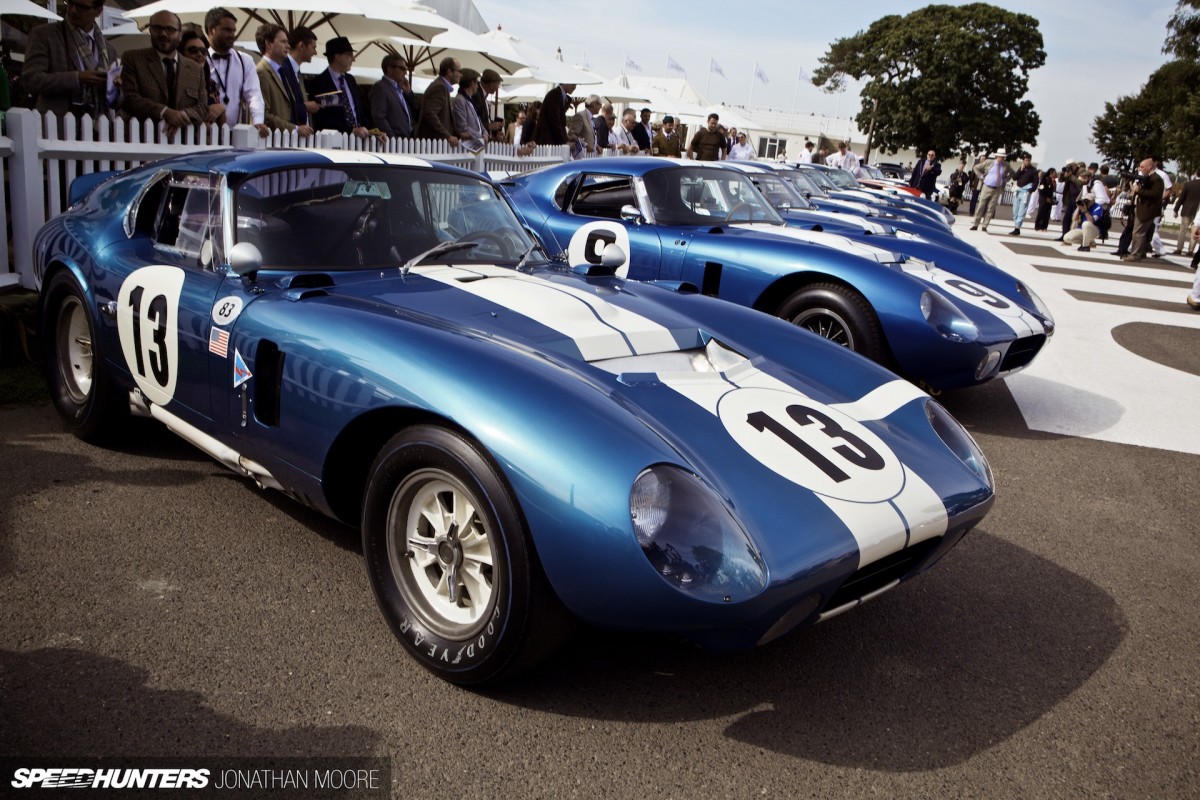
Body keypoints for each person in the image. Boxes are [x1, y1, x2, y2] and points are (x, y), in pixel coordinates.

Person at [21, 0, 118, 126]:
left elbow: (117, 101)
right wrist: (77, 78)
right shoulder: (44, 34)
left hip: (98, 128)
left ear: (98, 11)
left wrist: (114, 87)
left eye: (82, 7)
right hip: (56, 127)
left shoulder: (108, 49)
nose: (73, 10)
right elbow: (30, 80)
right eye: (71, 4)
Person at [120, 11, 207, 137]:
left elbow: (203, 107)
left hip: (183, 143)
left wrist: (181, 116)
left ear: (180, 35)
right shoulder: (133, 59)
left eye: (169, 29)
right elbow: (130, 99)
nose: (163, 33)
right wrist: (165, 112)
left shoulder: (195, 69)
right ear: (150, 30)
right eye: (157, 28)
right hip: (142, 140)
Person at [204, 8, 267, 137]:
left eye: (233, 30)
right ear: (211, 30)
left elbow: (254, 94)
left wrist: (258, 121)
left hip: (233, 134)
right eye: (227, 30)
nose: (232, 35)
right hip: (201, 131)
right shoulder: (200, 58)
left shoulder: (245, 61)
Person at [310, 36, 374, 140]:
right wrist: (350, 130)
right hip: (333, 141)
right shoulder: (319, 82)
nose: (353, 59)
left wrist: (375, 131)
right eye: (349, 55)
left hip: (358, 140)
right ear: (338, 57)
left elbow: (359, 112)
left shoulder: (350, 80)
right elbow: (322, 118)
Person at [255, 23, 311, 135]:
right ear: (268, 44)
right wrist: (294, 128)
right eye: (283, 42)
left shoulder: (281, 71)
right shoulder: (261, 72)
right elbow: (263, 114)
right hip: (273, 142)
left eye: (287, 42)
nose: (288, 46)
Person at [1124, 157, 1166, 262]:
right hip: (1144, 208)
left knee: (1138, 233)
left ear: (1149, 166)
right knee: (1140, 232)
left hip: (1147, 210)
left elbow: (1155, 194)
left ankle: (1135, 254)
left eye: (1142, 167)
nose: (1140, 169)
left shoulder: (1156, 179)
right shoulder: (1150, 178)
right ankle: (1140, 252)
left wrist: (1138, 190)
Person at [180, 28, 224, 125]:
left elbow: (220, 125)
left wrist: (222, 108)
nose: (199, 54)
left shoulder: (211, 84)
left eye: (203, 51)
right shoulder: (174, 80)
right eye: (193, 50)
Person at [415, 57, 460, 145]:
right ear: (449, 72)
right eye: (459, 71)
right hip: (431, 142)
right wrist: (447, 135)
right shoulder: (440, 87)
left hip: (435, 142)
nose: (461, 75)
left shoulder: (441, 86)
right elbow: (430, 114)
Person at [368, 53, 413, 137]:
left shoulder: (399, 88)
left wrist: (408, 93)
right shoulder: (380, 87)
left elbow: (408, 113)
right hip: (392, 141)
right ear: (390, 69)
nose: (406, 72)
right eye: (402, 69)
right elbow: (379, 117)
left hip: (405, 140)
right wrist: (392, 138)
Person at [970, 149, 1014, 232]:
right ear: (997, 156)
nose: (1002, 158)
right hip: (987, 187)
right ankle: (975, 224)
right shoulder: (989, 162)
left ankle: (985, 225)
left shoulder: (1006, 165)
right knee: (981, 206)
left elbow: (1012, 172)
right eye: (1001, 157)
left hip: (997, 189)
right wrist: (981, 176)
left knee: (991, 208)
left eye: (1004, 157)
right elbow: (976, 167)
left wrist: (1006, 179)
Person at [451, 68, 487, 151]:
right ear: (472, 83)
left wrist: (485, 133)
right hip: (465, 147)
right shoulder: (460, 100)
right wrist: (480, 136)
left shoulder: (470, 100)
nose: (478, 86)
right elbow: (463, 127)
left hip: (475, 146)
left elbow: (479, 122)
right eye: (477, 83)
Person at [1007, 153, 1038, 235]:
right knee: (1015, 210)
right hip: (1018, 190)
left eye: (1028, 160)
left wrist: (1030, 191)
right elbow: (1014, 177)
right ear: (1023, 161)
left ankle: (1018, 228)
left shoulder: (1034, 170)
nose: (1027, 162)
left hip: (1026, 192)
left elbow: (1036, 182)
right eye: (1025, 160)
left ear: (1030, 160)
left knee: (1022, 210)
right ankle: (1015, 225)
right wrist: (1021, 170)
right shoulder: (1021, 168)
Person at [1173, 171, 1200, 256]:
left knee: (1182, 231)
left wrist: (1176, 209)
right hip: (1197, 211)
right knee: (1194, 231)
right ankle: (1190, 250)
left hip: (1186, 209)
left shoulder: (1188, 184)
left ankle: (1179, 248)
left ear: (1196, 174)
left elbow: (1181, 198)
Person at [1034, 167, 1057, 232]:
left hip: (1050, 199)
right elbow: (1041, 189)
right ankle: (1038, 226)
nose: (1055, 174)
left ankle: (1044, 226)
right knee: (1041, 212)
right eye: (1054, 173)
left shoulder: (1053, 181)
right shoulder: (1045, 179)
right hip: (1043, 198)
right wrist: (1046, 197)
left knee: (1047, 213)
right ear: (1051, 173)